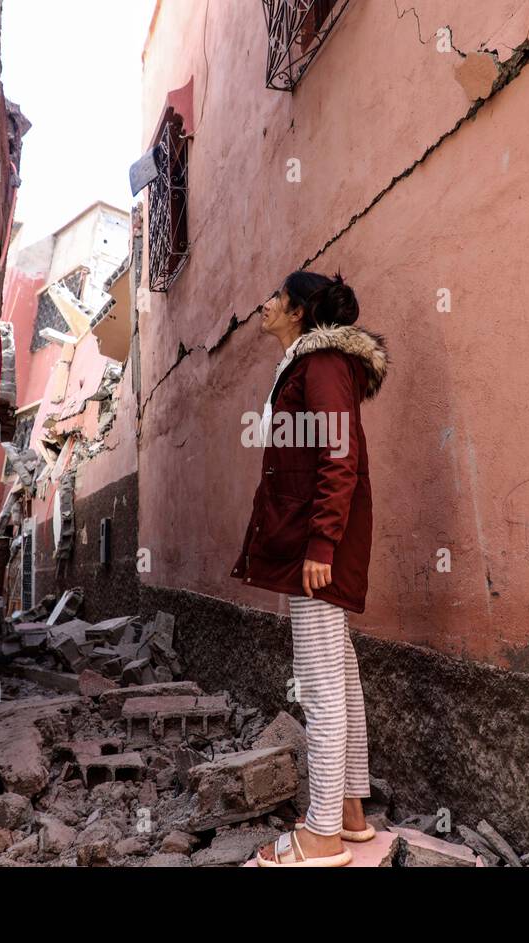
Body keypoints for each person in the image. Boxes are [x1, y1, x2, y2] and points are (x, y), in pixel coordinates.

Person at [230, 269, 389, 866]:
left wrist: (321, 544)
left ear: (297, 311)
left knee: (319, 686)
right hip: (312, 543)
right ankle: (348, 812)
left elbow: (338, 458)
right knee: (340, 672)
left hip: (314, 549)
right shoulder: (308, 364)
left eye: (275, 296)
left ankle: (321, 835)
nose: (264, 303)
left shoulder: (319, 365)